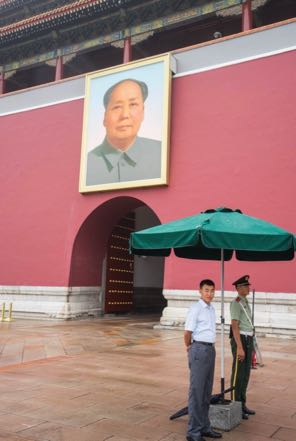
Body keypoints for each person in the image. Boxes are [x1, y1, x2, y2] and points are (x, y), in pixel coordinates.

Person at [86, 78, 161, 186]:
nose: (125, 115)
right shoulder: (88, 164)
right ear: (105, 117)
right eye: (117, 107)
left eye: (133, 105)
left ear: (143, 111)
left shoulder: (161, 153)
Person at [184, 279, 222, 441]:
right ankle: (193, 432)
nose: (210, 293)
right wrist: (190, 348)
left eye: (212, 290)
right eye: (207, 290)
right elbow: (187, 332)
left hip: (210, 349)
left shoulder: (211, 308)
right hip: (199, 348)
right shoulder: (196, 309)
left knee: (206, 392)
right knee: (197, 392)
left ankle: (205, 426)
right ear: (200, 291)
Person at [230, 275, 256, 420]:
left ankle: (242, 404)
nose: (248, 288)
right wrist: (240, 348)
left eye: (248, 285)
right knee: (238, 374)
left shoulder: (245, 301)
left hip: (248, 339)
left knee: (245, 373)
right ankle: (235, 406)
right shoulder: (236, 303)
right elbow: (235, 325)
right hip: (240, 339)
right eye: (246, 286)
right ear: (239, 288)